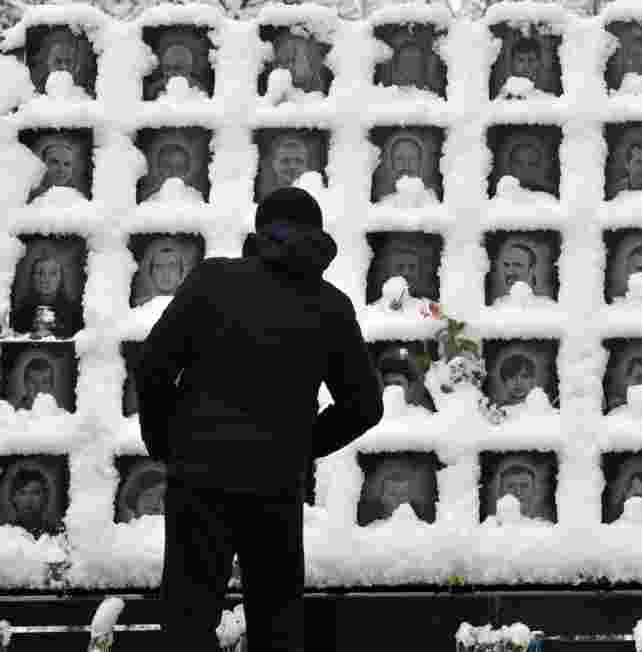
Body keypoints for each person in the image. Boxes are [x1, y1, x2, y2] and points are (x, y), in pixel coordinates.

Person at [136, 186, 383, 651]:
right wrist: (300, 444)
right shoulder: (330, 306)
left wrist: (168, 441)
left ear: (260, 230)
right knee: (277, 624)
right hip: (275, 485)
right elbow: (365, 406)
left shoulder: (213, 282)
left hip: (199, 479)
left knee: (186, 621)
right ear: (317, 236)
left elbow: (153, 366)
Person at [12, 251, 84, 338]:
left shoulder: (74, 314)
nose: (46, 279)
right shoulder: (21, 314)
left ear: (61, 278)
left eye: (53, 273)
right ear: (32, 277)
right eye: (40, 273)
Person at [8, 468, 50, 537]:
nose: (29, 500)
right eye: (23, 493)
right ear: (14, 498)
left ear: (45, 497)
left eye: (35, 493)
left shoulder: (56, 534)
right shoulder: (5, 534)